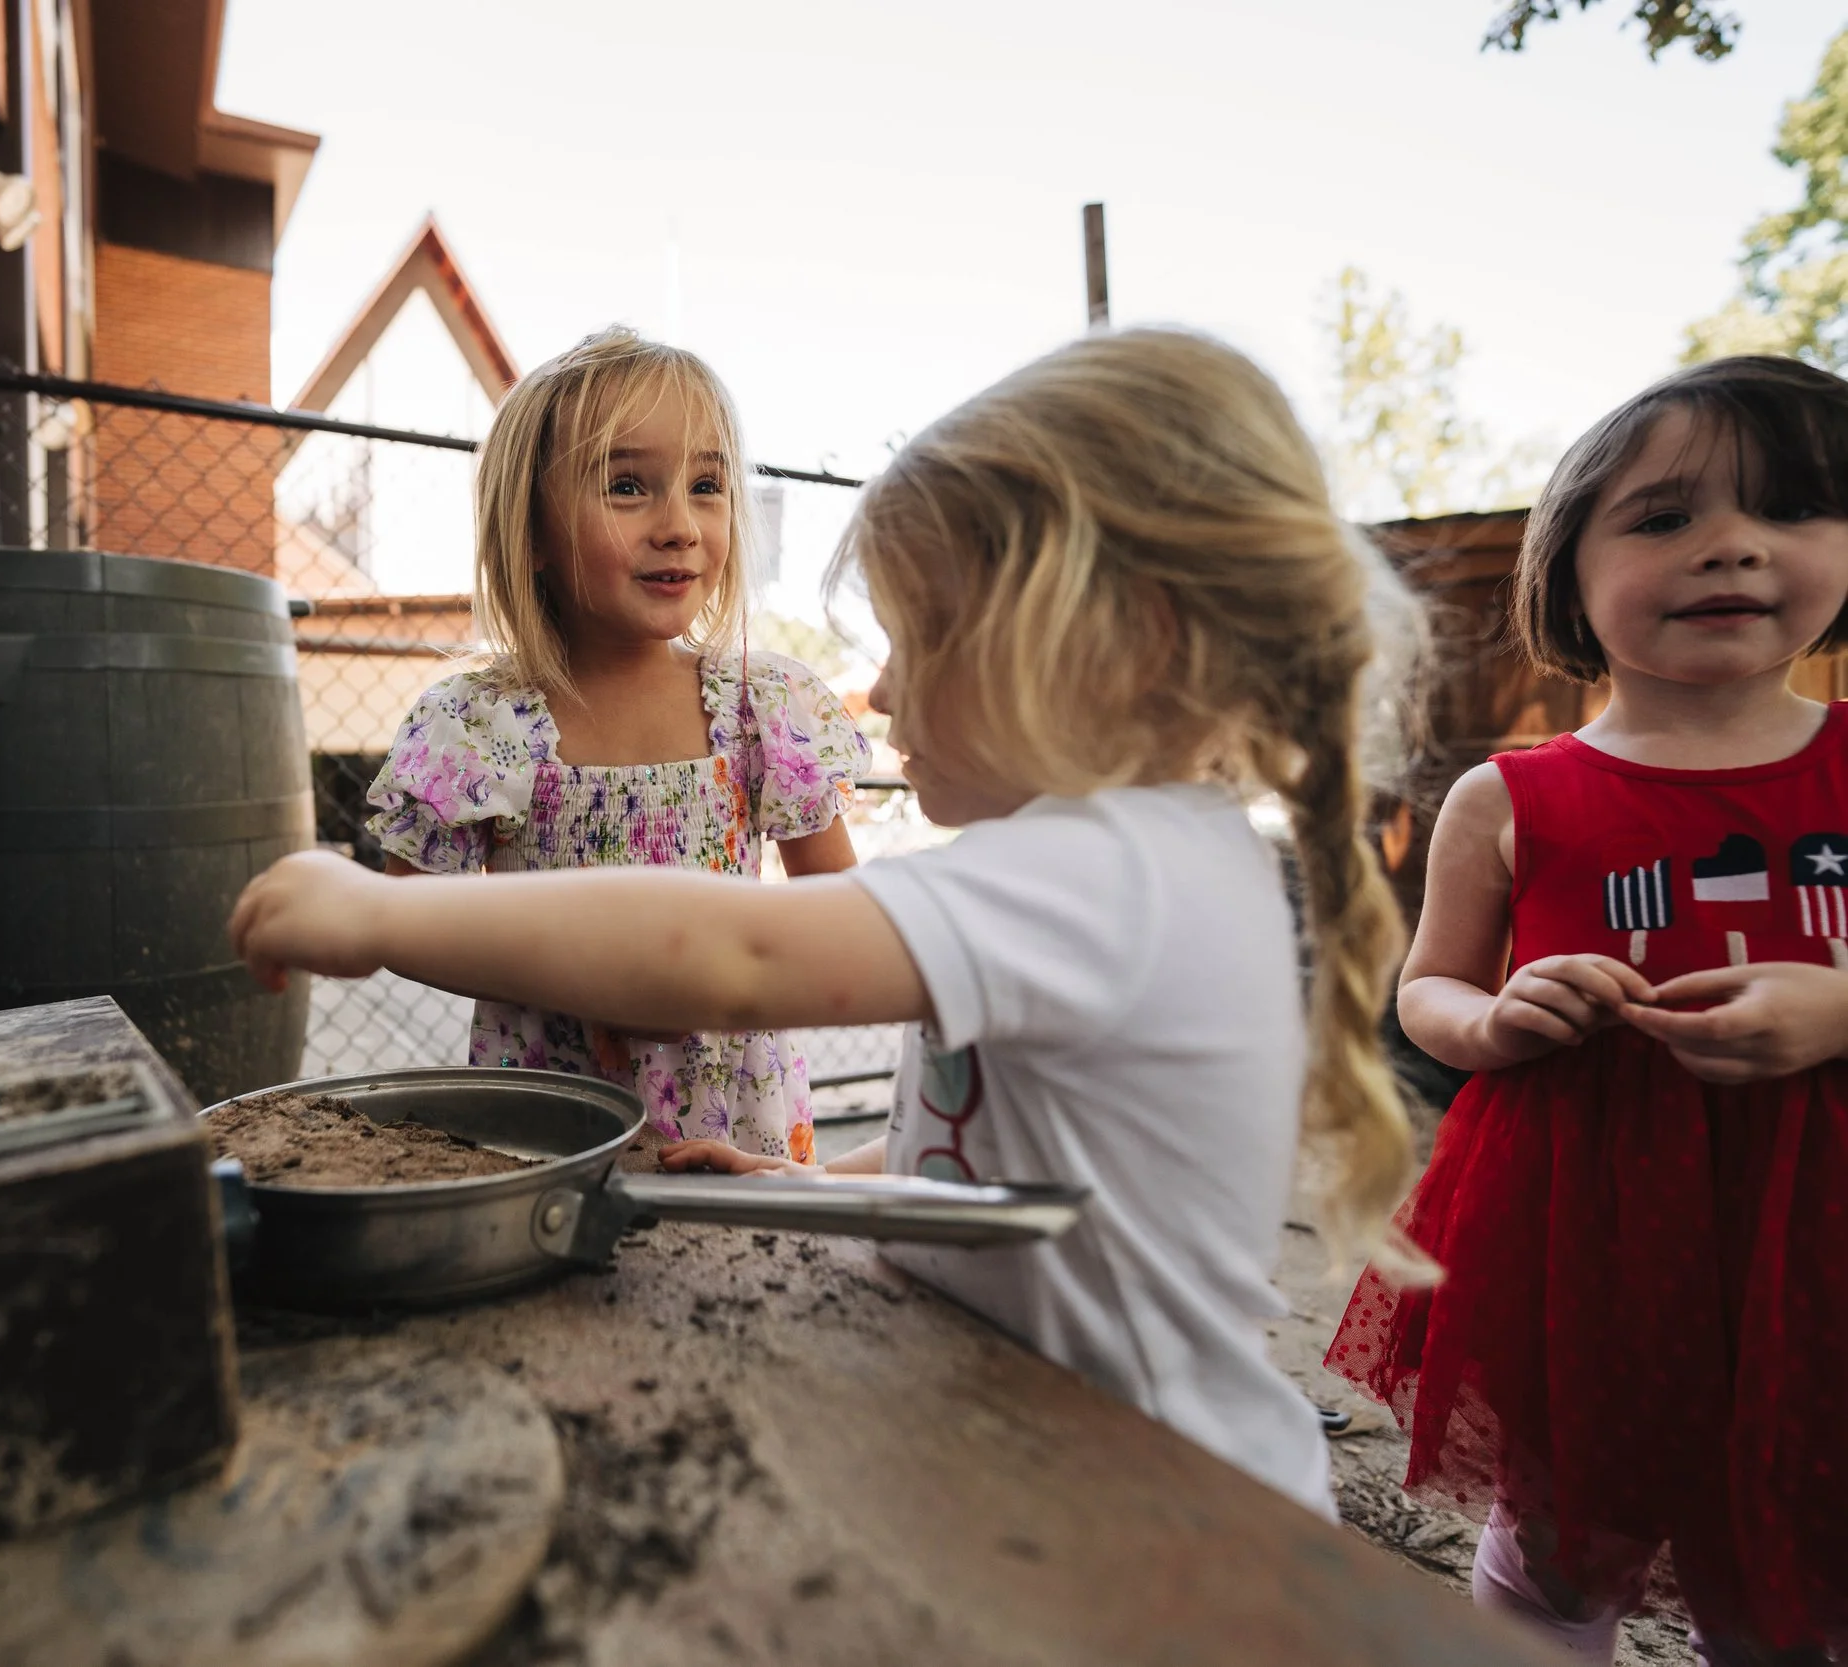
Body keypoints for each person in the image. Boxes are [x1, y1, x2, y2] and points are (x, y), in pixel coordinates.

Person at [237, 328, 1425, 1514]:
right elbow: (973, 1147)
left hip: (1166, 1507)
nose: (883, 690)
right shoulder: (1118, 861)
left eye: (920, 637)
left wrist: (378, 911)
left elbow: (734, 953)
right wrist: (795, 1181)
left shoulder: (1111, 873)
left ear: (1113, 643)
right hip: (1058, 1455)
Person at [1327, 356, 1848, 1664]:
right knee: (1562, 1527)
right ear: (1566, 575)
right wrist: (1497, 1020)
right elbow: (1429, 991)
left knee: (1799, 1535)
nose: (1732, 544)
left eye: (1792, 507)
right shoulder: (1508, 796)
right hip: (1587, 1222)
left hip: (1820, 1223)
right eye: (1664, 517)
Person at [364, 326, 867, 1163]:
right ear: (531, 531)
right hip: (549, 1127)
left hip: (736, 1127)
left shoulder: (760, 707)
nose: (680, 525)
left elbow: (844, 913)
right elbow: (404, 921)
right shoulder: (479, 724)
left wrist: (730, 973)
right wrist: (574, 976)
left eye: (706, 485)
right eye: (628, 486)